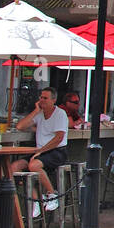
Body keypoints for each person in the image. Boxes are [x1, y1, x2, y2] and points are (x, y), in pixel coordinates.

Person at [14, 87, 67, 218]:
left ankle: (52, 194)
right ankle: (36, 200)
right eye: (41, 97)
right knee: (13, 167)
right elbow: (20, 126)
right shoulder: (39, 114)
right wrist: (36, 110)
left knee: (33, 165)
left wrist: (41, 151)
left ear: (53, 100)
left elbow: (59, 138)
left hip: (57, 151)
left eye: (45, 98)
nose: (41, 100)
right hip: (40, 152)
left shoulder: (60, 114)